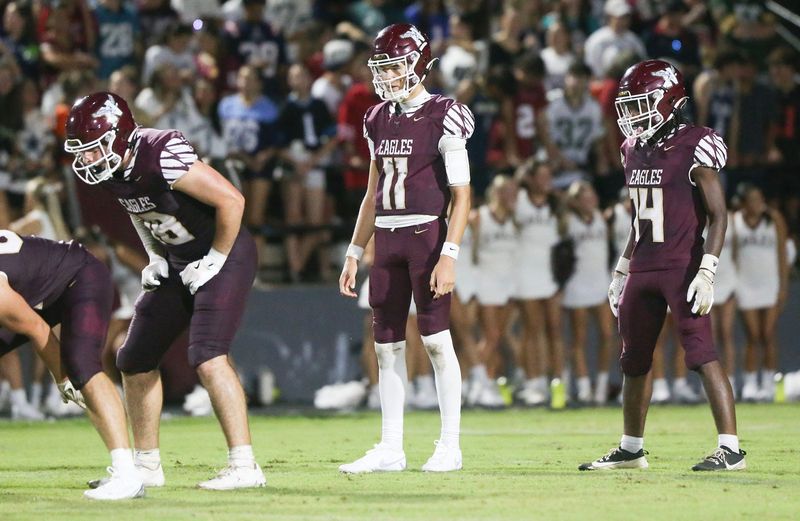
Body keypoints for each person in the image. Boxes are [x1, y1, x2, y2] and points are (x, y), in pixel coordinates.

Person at [63, 92, 265, 489]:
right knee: (133, 358)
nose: (87, 159)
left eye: (94, 148)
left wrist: (215, 259)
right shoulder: (114, 170)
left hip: (224, 251)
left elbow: (231, 200)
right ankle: (146, 465)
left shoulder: (161, 151)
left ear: (118, 136)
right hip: (178, 258)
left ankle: (244, 466)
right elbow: (140, 211)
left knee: (207, 355)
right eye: (82, 151)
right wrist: (155, 256)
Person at [580, 59, 746, 471]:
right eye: (629, 106)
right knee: (632, 359)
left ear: (668, 101)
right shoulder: (631, 148)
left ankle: (731, 448)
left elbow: (719, 214)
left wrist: (708, 268)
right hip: (644, 265)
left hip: (682, 264)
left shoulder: (696, 143)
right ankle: (631, 448)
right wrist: (622, 268)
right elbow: (641, 217)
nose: (633, 115)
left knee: (701, 353)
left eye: (641, 104)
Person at [338, 23, 473, 473]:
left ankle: (449, 445)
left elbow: (463, 196)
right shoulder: (377, 117)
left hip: (427, 237)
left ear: (418, 63)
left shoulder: (444, 113)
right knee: (386, 347)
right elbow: (371, 193)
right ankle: (390, 447)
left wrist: (449, 254)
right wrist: (355, 251)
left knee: (435, 342)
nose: (388, 76)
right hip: (388, 240)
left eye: (395, 66)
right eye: (383, 68)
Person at [0, 230, 144, 500]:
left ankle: (128, 475)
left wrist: (62, 377)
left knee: (82, 368)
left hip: (79, 276)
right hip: (40, 291)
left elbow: (37, 328)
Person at [733, 184, 788, 402]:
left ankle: (768, 383)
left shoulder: (774, 220)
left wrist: (783, 287)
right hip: (745, 284)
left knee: (768, 334)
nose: (756, 204)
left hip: (770, 284)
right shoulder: (736, 221)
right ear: (744, 203)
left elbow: (782, 254)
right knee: (752, 335)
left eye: (759, 199)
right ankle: (749, 384)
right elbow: (734, 255)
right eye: (752, 200)